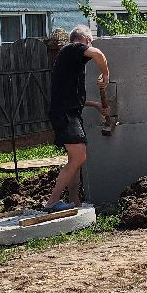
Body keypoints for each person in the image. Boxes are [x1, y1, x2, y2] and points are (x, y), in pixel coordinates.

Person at [45, 26, 111, 212]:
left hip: (68, 112)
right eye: (90, 41)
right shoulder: (73, 48)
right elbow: (98, 54)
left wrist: (96, 105)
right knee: (79, 156)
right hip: (65, 114)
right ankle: (52, 202)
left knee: (76, 160)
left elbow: (72, 97)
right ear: (86, 39)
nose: (90, 45)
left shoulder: (70, 61)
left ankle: (74, 201)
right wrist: (106, 74)